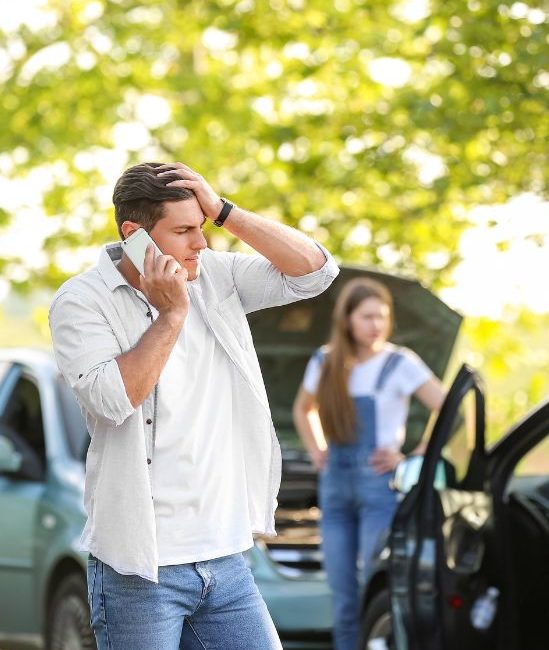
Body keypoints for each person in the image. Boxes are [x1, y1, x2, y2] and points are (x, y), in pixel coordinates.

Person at [49, 161, 339, 650]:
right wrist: (172, 313)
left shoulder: (216, 274)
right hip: (140, 570)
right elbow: (114, 399)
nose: (200, 243)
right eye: (184, 231)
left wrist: (225, 212)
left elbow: (316, 272)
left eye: (201, 227)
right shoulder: (81, 301)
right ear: (134, 234)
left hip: (226, 559)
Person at [293, 277, 445, 650]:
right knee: (343, 593)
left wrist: (414, 455)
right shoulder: (325, 361)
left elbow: (448, 408)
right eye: (367, 317)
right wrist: (317, 450)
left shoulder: (400, 363)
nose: (376, 325)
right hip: (335, 490)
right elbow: (303, 409)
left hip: (381, 489)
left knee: (373, 587)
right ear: (347, 319)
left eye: (382, 316)